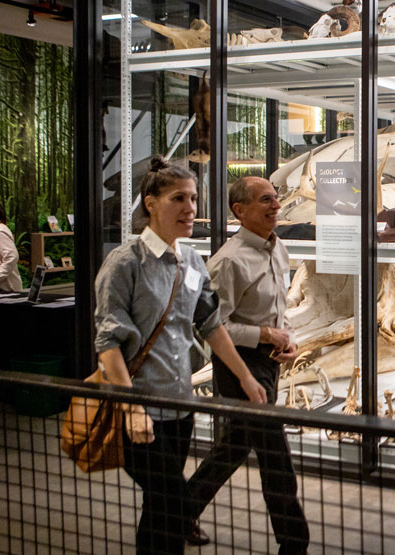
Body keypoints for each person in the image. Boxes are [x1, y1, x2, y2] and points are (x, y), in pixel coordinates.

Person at [93, 156, 267, 555]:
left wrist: (244, 377)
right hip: (138, 408)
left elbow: (210, 325)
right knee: (174, 500)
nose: (191, 209)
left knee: (160, 507)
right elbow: (108, 343)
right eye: (179, 199)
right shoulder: (125, 263)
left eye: (193, 198)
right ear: (150, 203)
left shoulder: (191, 262)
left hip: (180, 407)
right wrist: (132, 408)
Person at [188, 176, 310, 554]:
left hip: (268, 361)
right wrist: (263, 336)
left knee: (234, 448)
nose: (276, 206)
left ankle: (177, 513)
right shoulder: (227, 261)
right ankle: (294, 542)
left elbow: (280, 308)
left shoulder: (279, 249)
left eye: (276, 199)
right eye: (265, 200)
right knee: (274, 453)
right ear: (239, 211)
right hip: (237, 365)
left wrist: (284, 339)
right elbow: (213, 326)